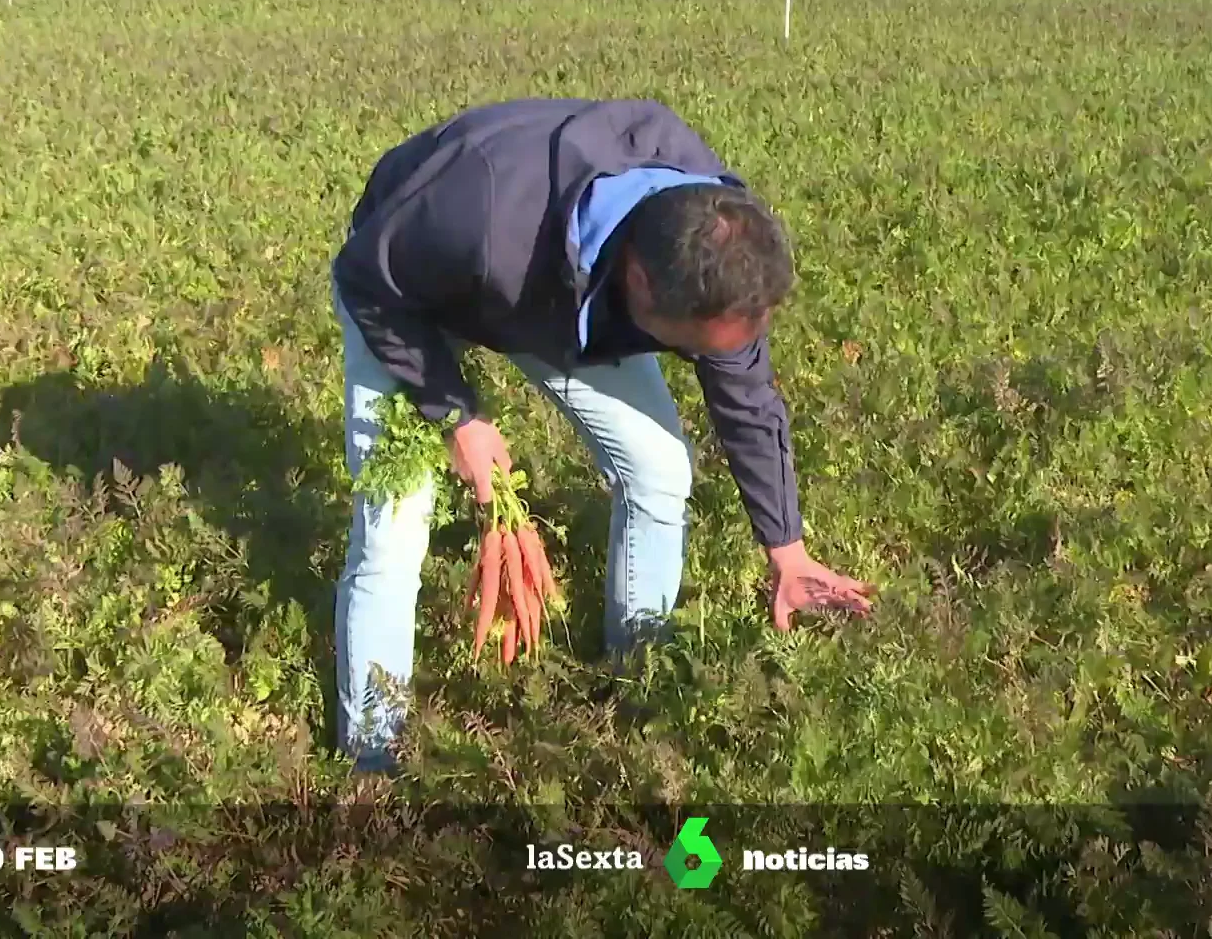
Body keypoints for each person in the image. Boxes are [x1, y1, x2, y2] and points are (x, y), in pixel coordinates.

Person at [330, 98, 874, 773]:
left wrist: (786, 550)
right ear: (642, 283)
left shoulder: (724, 255)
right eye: (693, 349)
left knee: (659, 470)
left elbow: (747, 397)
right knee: (392, 531)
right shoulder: (481, 211)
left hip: (558, 297)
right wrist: (455, 415)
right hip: (404, 285)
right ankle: (372, 763)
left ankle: (638, 684)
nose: (714, 360)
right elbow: (365, 277)